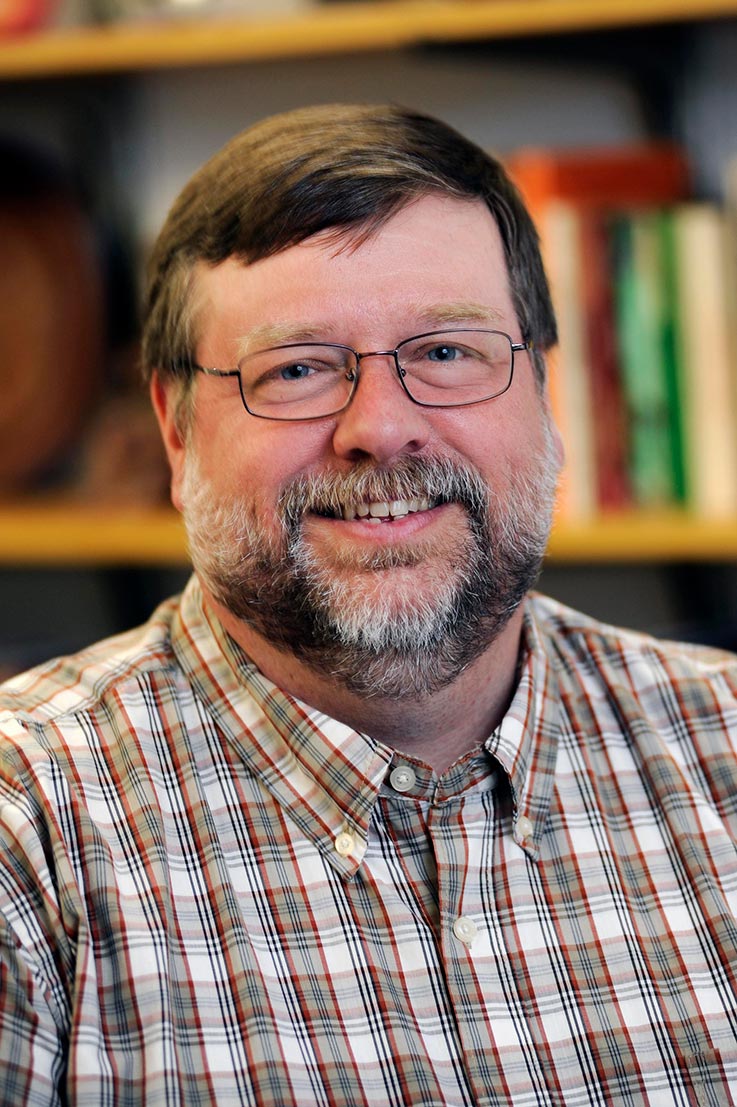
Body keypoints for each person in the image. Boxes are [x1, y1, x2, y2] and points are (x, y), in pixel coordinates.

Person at [1, 103, 736, 1107]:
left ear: (544, 392)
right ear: (176, 432)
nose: (381, 429)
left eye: (446, 352)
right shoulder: (24, 843)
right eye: (297, 370)